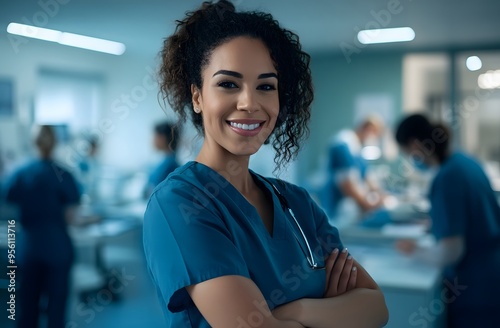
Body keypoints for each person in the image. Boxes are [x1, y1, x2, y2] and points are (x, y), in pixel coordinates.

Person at [143, 1, 388, 327]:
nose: (249, 102)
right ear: (198, 97)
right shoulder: (180, 203)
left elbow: (375, 309)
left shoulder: (297, 203)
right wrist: (334, 311)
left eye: (265, 86)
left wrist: (296, 312)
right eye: (228, 83)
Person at [394, 113, 500, 328]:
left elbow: (452, 251)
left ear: (415, 145)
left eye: (407, 153)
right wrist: (437, 223)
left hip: (475, 288)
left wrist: (413, 250)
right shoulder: (465, 162)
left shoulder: (448, 177)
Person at [4, 125, 81, 328]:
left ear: (33, 142)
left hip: (28, 248)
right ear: (55, 143)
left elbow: (7, 199)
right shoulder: (62, 173)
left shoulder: (20, 173)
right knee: (56, 311)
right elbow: (72, 215)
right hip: (58, 248)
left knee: (27, 309)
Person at [320, 116, 387, 226]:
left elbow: (368, 177)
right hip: (339, 211)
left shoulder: (357, 148)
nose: (375, 138)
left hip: (350, 211)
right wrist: (367, 205)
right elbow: (348, 185)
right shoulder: (342, 143)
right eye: (376, 134)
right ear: (368, 128)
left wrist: (382, 196)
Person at [143, 121, 180, 199]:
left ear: (162, 138)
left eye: (155, 136)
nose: (152, 141)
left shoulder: (169, 165)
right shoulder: (165, 162)